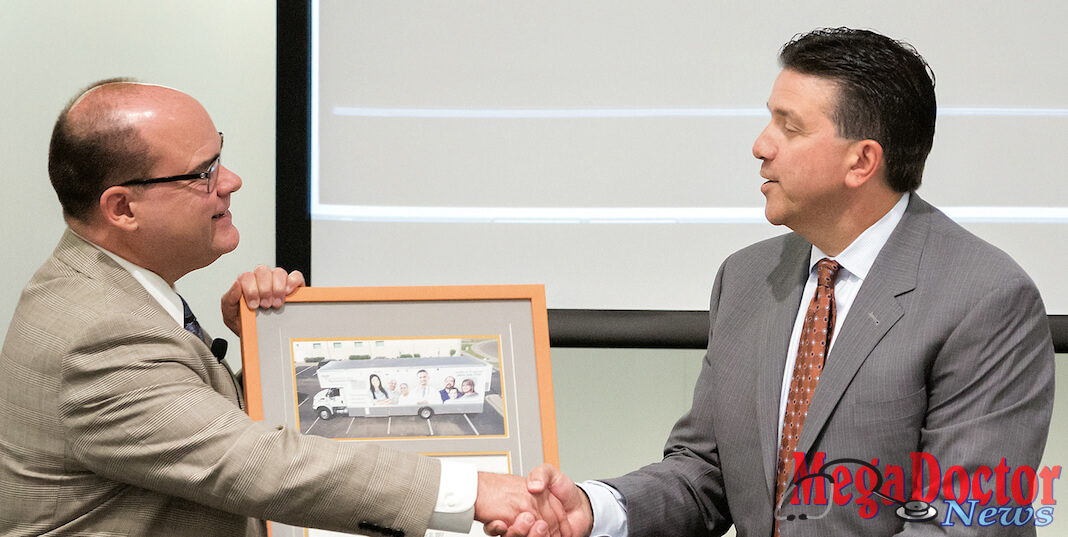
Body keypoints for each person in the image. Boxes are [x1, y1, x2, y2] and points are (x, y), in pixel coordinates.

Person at [491, 28, 1056, 537]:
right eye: (769, 120)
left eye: (790, 127)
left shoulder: (986, 299)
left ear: (861, 162)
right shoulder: (746, 279)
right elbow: (704, 473)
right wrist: (594, 508)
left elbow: (963, 524)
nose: (761, 145)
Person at [0, 79, 564, 537]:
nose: (231, 181)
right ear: (122, 208)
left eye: (221, 158)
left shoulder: (111, 291)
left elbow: (193, 433)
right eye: (204, 173)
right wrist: (476, 491)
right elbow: (252, 463)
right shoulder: (96, 334)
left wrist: (270, 346)